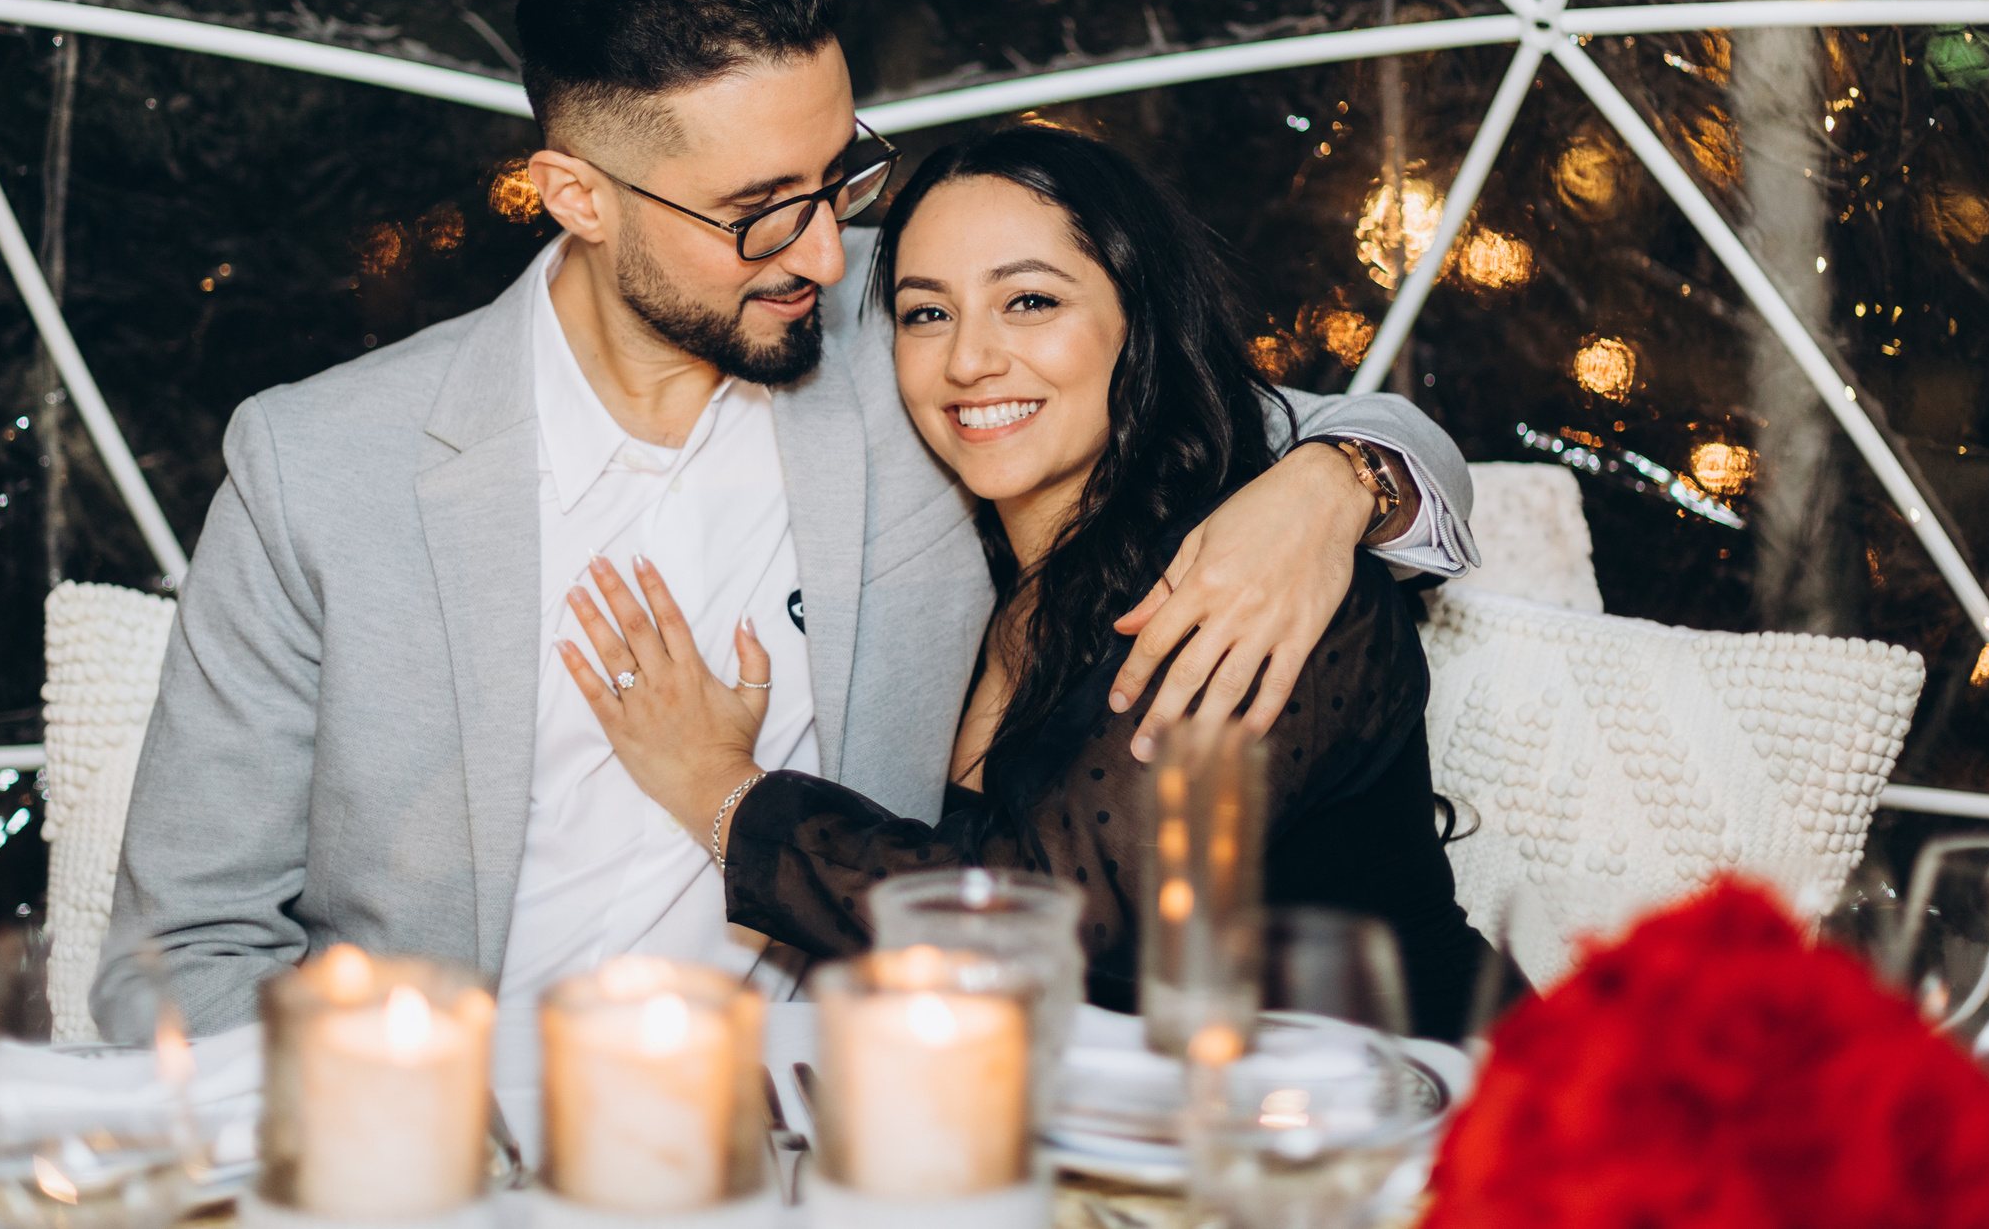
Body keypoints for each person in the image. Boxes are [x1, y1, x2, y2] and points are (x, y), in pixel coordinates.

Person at [94, 0, 1478, 1141]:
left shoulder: (923, 321)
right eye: (759, 211)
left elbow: (1272, 411)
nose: (825, 250)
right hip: (474, 1145)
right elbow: (188, 947)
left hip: (863, 1123)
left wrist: (1331, 490)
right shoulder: (323, 461)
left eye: (841, 176)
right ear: (575, 194)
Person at [559, 126, 1487, 1035]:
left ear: (1140, 320)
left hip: (1418, 1122)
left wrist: (721, 788)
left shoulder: (1258, 582)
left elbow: (1044, 922)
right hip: (1122, 1127)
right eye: (928, 312)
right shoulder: (977, 569)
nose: (969, 360)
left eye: (1031, 302)